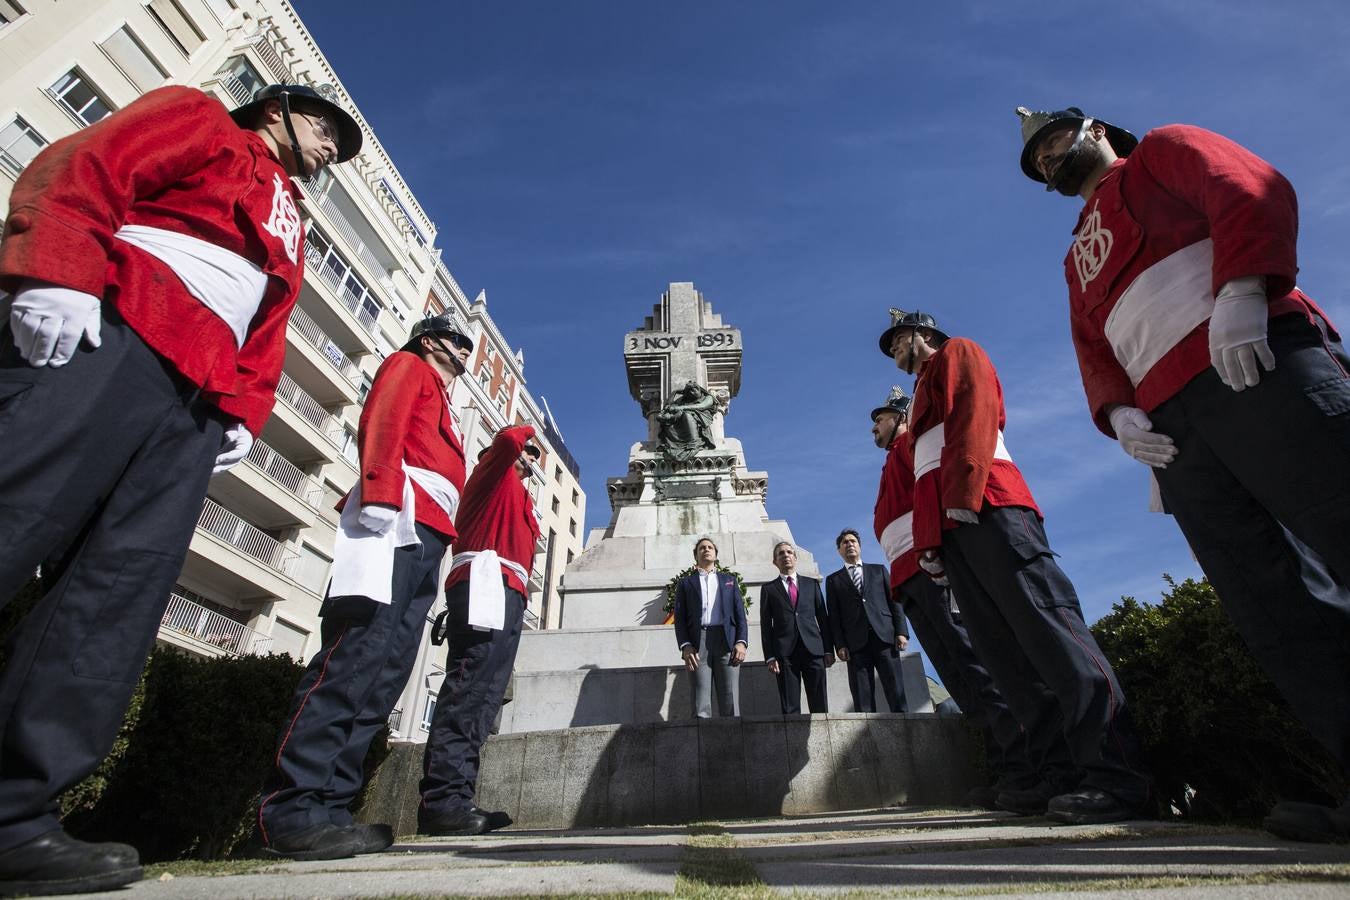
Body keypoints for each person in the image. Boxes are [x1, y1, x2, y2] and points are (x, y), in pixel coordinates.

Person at [0, 83, 360, 895]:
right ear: (274, 109)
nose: (330, 148)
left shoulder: (292, 216)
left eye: (339, 141)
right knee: (12, 514)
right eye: (323, 128)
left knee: (115, 598)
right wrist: (56, 264)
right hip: (117, 323)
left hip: (197, 398)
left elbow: (267, 320)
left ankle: (16, 815)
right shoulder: (202, 118)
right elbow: (92, 162)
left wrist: (244, 407)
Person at [1016, 105, 1350, 842]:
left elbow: (1249, 186)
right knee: (1271, 605)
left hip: (1255, 358)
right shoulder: (1075, 256)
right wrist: (1119, 415)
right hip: (1174, 424)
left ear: (1098, 130)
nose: (1047, 158)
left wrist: (1242, 286)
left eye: (1053, 141)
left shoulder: (1161, 152)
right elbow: (1093, 348)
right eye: (1037, 159)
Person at [883, 308, 1149, 824]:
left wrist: (964, 494)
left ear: (923, 335)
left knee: (1051, 634)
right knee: (1005, 658)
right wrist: (932, 541)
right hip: (955, 528)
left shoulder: (956, 350)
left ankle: (1116, 775)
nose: (893, 348)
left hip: (991, 506)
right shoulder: (916, 399)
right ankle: (1056, 777)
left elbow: (976, 413)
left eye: (898, 338)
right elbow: (922, 474)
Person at [257, 313, 473, 860]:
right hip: (393, 519)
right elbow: (383, 420)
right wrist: (378, 491)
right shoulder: (407, 366)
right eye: (457, 341)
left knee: (387, 670)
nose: (464, 351)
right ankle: (293, 806)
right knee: (354, 656)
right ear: (429, 341)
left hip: (428, 531)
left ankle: (332, 807)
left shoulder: (446, 399)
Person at [868, 385, 1048, 810]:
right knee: (960, 678)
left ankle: (1027, 769)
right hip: (909, 577)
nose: (873, 427)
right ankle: (1007, 769)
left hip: (932, 571)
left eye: (880, 418)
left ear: (900, 418)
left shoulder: (911, 446)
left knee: (977, 669)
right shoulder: (892, 459)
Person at [419, 426, 542, 836]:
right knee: (469, 687)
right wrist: (527, 432)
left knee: (486, 698)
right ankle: (442, 800)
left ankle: (457, 797)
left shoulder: (522, 495)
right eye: (530, 452)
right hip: (485, 581)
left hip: (509, 592)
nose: (532, 457)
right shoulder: (493, 471)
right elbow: (508, 440)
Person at [825, 529, 909, 713]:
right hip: (855, 644)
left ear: (860, 546)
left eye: (853, 541)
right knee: (862, 696)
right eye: (845, 543)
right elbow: (834, 616)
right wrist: (839, 644)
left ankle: (904, 721)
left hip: (885, 637)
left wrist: (901, 631)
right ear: (839, 550)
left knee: (895, 687)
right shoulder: (833, 580)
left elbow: (894, 601)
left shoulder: (878, 570)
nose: (850, 545)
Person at [672, 537, 749, 718]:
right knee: (700, 703)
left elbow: (740, 615)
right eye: (701, 548)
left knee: (730, 702)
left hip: (726, 641)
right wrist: (685, 645)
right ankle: (703, 745)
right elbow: (680, 619)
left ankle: (732, 744)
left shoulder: (729, 581)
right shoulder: (685, 583)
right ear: (696, 555)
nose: (706, 550)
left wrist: (741, 642)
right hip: (699, 643)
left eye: (709, 547)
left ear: (715, 554)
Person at [760, 542, 833, 715]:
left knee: (820, 705)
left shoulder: (811, 584)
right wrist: (770, 656)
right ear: (775, 561)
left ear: (795, 557)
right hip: (785, 654)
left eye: (789, 552)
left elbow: (823, 618)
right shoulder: (769, 589)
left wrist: (828, 650)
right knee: (790, 707)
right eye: (781, 554)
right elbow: (765, 626)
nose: (785, 556)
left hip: (814, 650)